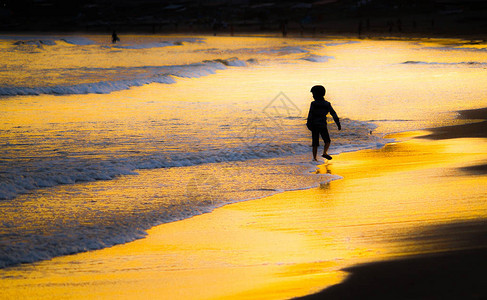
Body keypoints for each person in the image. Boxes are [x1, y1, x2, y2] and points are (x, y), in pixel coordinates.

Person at [306, 85, 341, 161]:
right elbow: (333, 113)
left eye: (313, 94)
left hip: (314, 125)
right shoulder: (327, 104)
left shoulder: (313, 104)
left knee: (315, 143)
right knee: (327, 141)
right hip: (322, 125)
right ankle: (325, 152)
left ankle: (314, 158)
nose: (313, 96)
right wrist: (338, 123)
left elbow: (310, 114)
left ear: (316, 95)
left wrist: (308, 123)